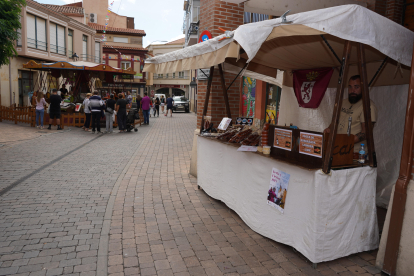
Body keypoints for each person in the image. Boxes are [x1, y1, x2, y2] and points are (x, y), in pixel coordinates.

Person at [324, 75, 377, 153]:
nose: (352, 90)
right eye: (350, 87)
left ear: (363, 88)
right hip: (337, 150)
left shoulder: (368, 106)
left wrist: (342, 142)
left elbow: (365, 133)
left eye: (356, 87)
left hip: (355, 154)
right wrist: (329, 130)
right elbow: (335, 122)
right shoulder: (343, 102)